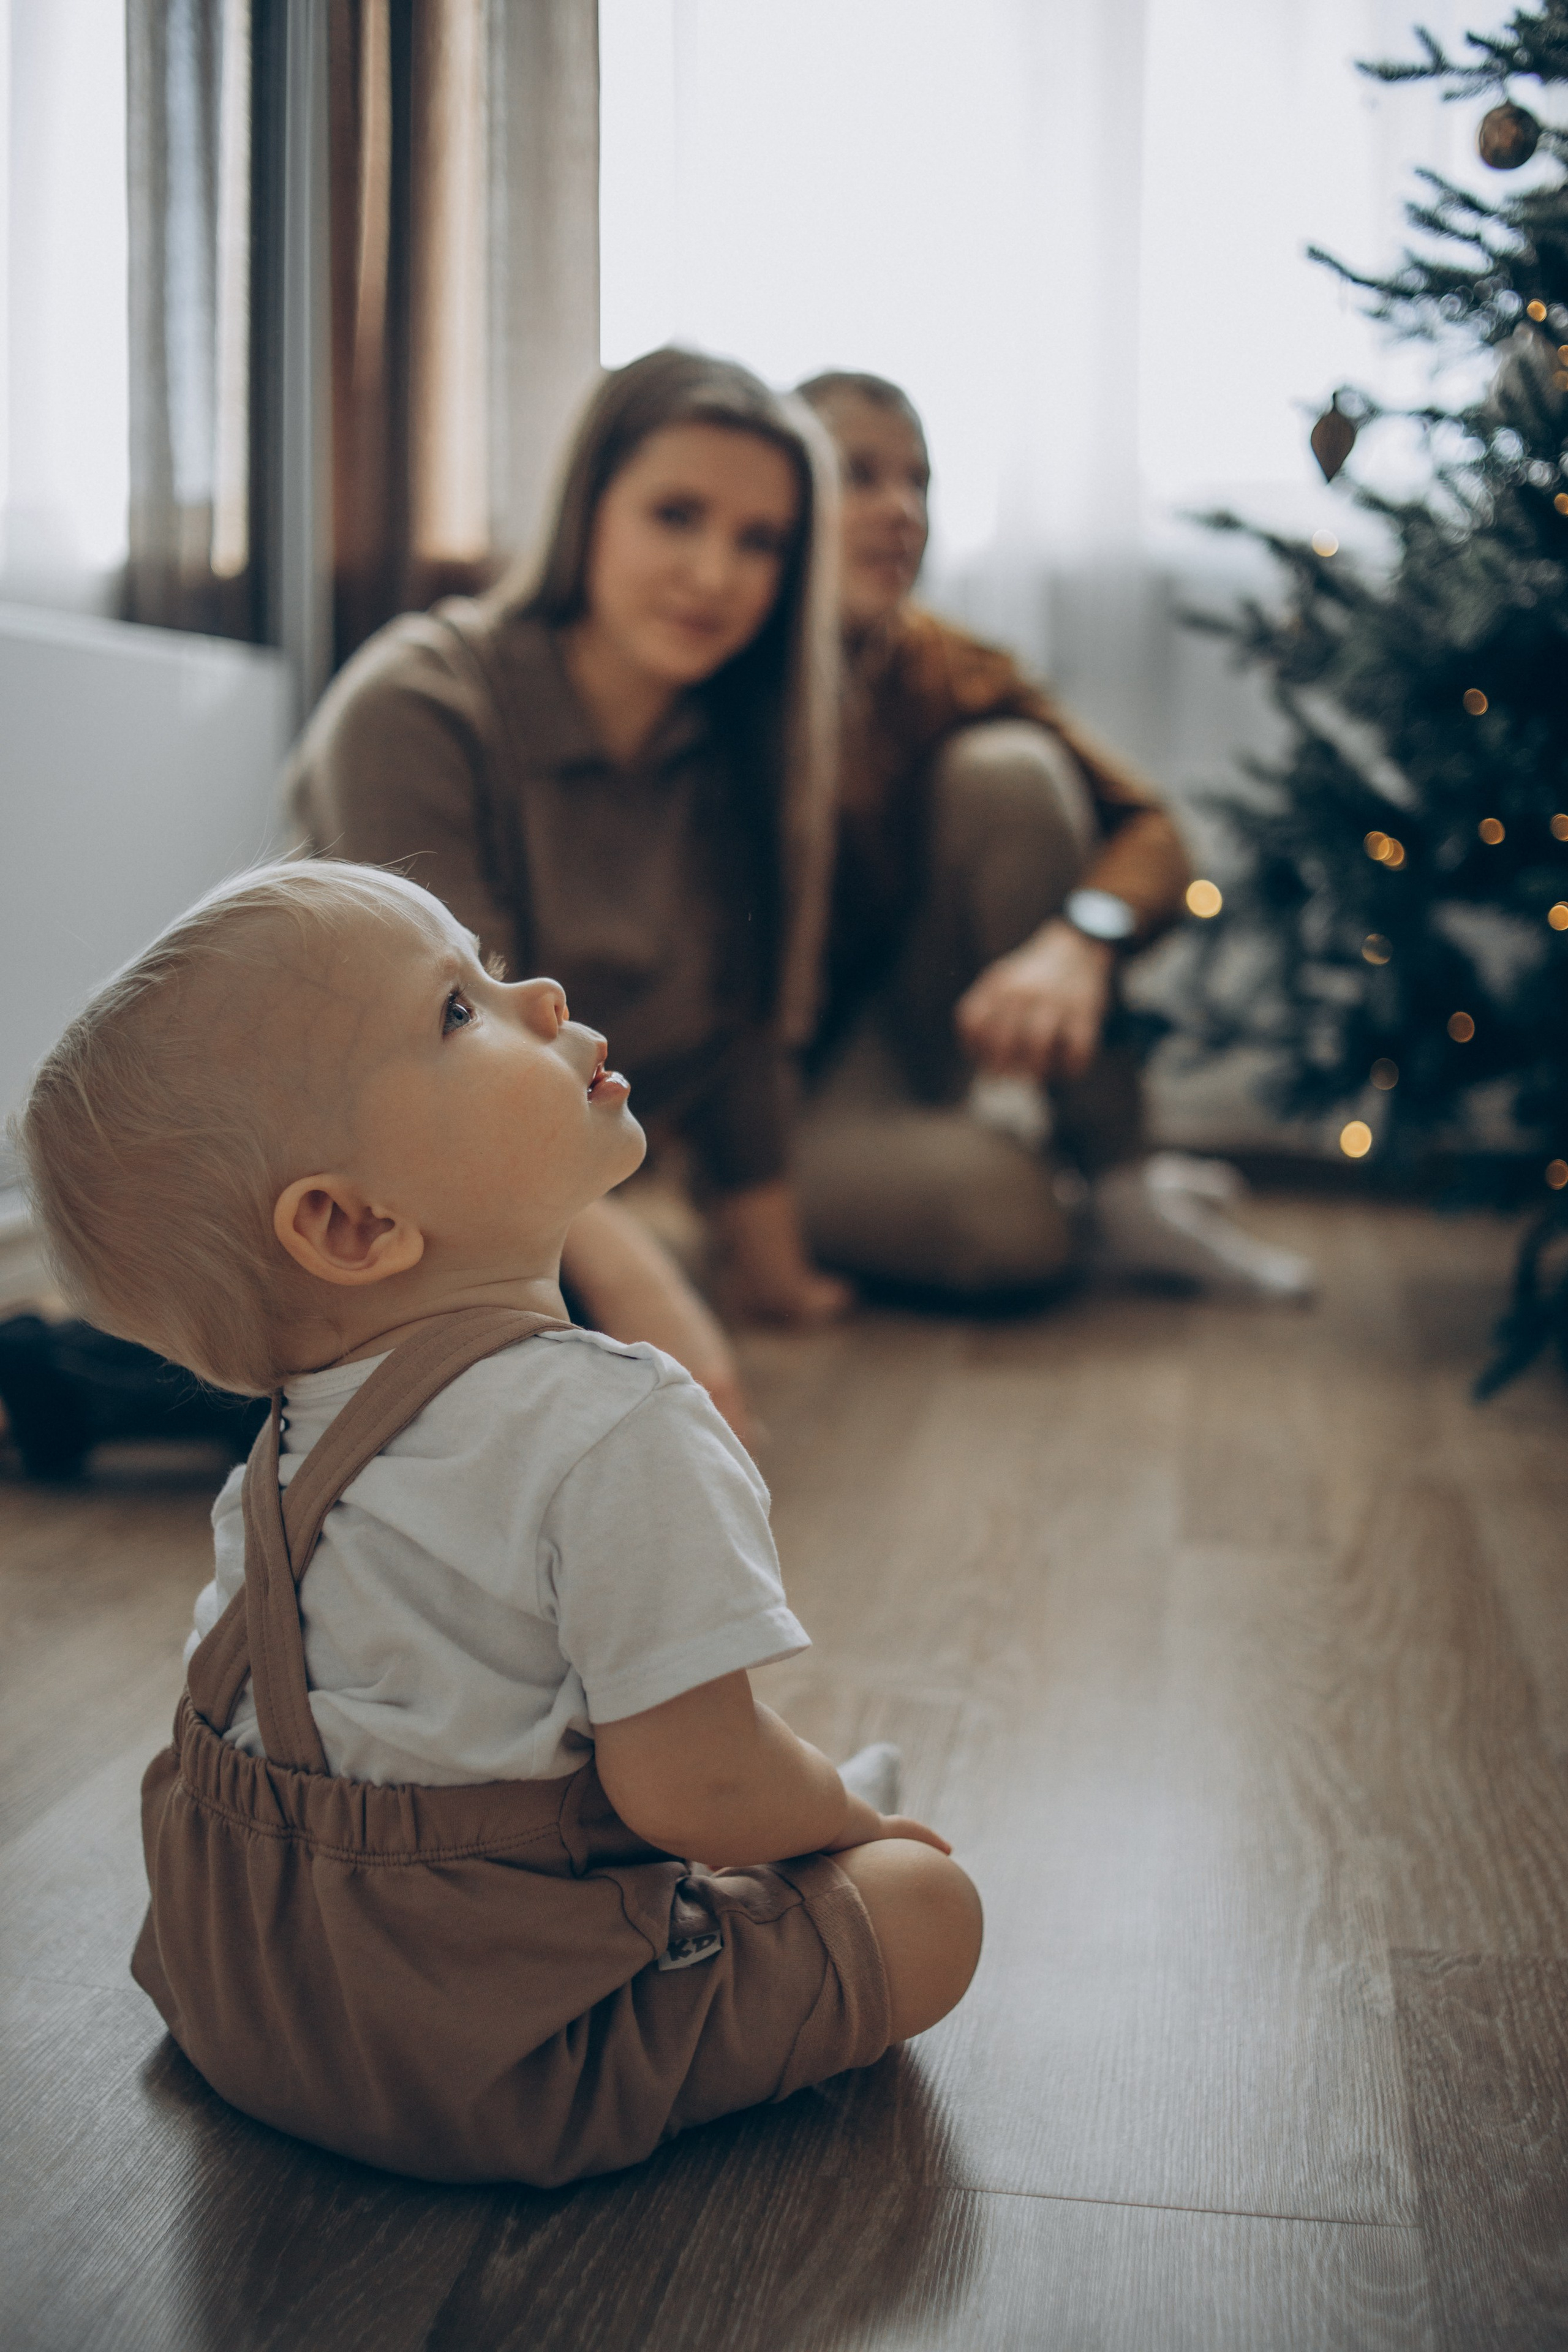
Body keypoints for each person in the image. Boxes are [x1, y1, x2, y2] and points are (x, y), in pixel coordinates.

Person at [17, 861, 981, 2186]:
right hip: (497, 2054)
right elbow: (690, 1784)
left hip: (246, 1990)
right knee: (929, 1910)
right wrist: (840, 1828)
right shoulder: (615, 1421)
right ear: (354, 1223)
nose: (535, 994)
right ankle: (799, 1880)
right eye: (458, 1012)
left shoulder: (294, 1440)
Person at [287, 350, 853, 1446]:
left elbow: (744, 1039)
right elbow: (445, 1057)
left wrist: (774, 1273)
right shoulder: (415, 702)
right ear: (589, 508)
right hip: (370, 1170)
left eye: (761, 543)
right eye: (675, 515)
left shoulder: (744, 755)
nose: (714, 574)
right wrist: (647, 1290)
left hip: (570, 1202)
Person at [793, 370, 1314, 1302]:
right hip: (761, 1092)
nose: (900, 511)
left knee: (1014, 771)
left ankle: (1119, 1177)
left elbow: (1153, 833)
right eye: (858, 477)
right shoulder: (715, 666)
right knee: (1012, 1232)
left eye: (918, 483)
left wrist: (1081, 941)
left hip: (894, 1032)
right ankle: (1056, 1184)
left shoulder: (943, 664)